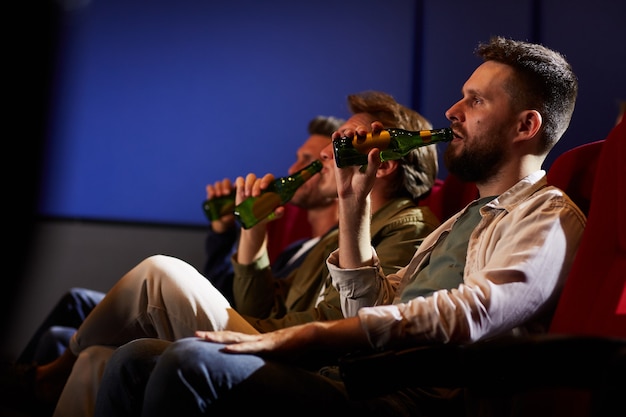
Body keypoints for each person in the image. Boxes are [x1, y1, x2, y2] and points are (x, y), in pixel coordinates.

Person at [94, 36, 585, 417]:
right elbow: (374, 305)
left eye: (476, 102)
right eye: (461, 97)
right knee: (136, 357)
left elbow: (475, 313)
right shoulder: (463, 219)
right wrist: (353, 210)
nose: (453, 112)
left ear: (526, 127)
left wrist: (314, 336)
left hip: (413, 401)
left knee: (187, 362)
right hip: (360, 378)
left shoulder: (547, 215)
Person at [20, 91, 441, 417]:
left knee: (160, 272)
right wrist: (252, 238)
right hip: (272, 334)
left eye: (344, 142)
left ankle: (46, 377)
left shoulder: (408, 227)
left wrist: (257, 327)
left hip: (308, 355)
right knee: (97, 360)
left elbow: (349, 320)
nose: (324, 157)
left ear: (383, 164)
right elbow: (259, 303)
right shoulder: (337, 232)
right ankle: (57, 376)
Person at [10, 115, 343, 368]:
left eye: (312, 161)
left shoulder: (333, 252)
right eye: (299, 157)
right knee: (79, 319)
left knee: (148, 275)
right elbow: (225, 290)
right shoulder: (293, 249)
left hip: (246, 336)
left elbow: (247, 306)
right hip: (224, 316)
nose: (294, 168)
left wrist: (248, 232)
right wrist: (222, 231)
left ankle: (40, 378)